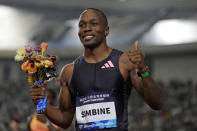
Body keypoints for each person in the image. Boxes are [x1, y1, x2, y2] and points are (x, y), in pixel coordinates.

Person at [30, 8, 162, 131]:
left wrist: (143, 69)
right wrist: (42, 103)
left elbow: (157, 103)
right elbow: (65, 120)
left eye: (93, 24)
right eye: (82, 25)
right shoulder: (69, 72)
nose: (87, 29)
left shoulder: (124, 62)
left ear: (106, 30)